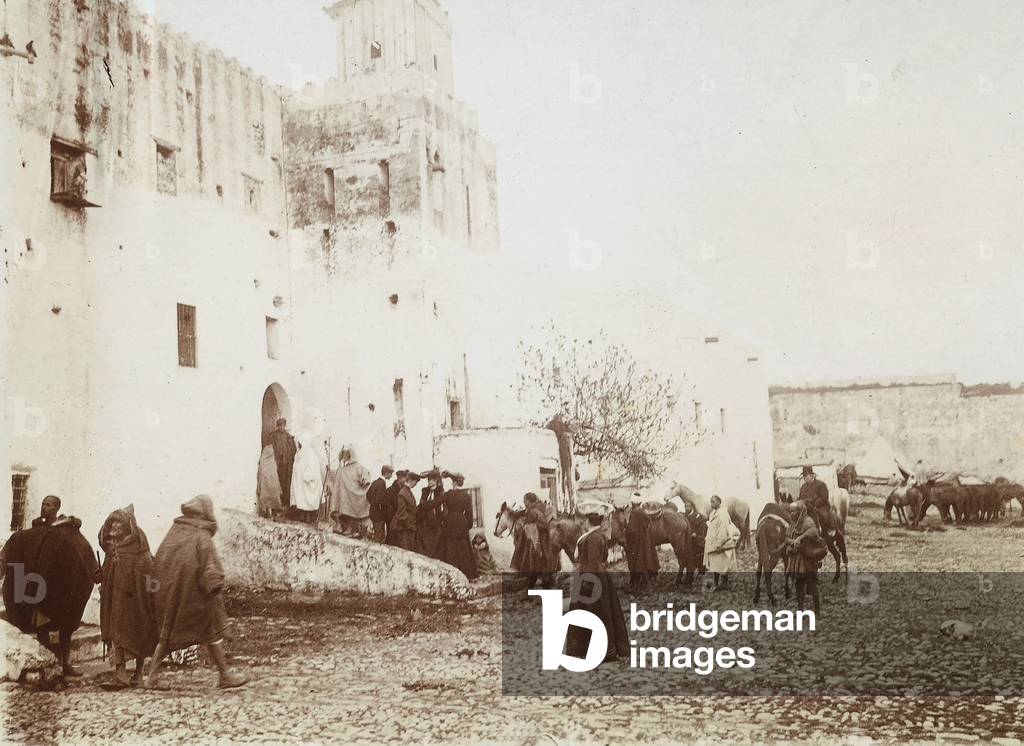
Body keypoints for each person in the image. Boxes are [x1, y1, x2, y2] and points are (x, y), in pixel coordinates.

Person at [145, 495, 247, 689]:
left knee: (169, 635)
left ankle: (153, 676)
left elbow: (160, 561)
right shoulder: (202, 536)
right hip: (194, 596)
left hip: (170, 594)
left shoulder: (175, 532)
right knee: (209, 630)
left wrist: (155, 591)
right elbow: (209, 567)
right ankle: (224, 675)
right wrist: (215, 585)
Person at [1, 496, 99, 678]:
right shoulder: (36, 530)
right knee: (42, 626)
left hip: (61, 587)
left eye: (49, 505)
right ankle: (47, 663)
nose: (44, 508)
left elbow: (82, 549)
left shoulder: (68, 530)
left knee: (66, 627)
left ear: (57, 508)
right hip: (41, 586)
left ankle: (65, 663)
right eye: (43, 504)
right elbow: (20, 544)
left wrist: (93, 571)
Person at [98, 504, 157, 687]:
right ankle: (120, 673)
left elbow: (149, 573)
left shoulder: (139, 550)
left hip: (134, 602)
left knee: (137, 632)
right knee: (115, 635)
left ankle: (138, 674)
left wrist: (150, 594)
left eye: (118, 524)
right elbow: (107, 571)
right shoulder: (111, 549)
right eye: (112, 523)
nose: (114, 527)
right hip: (113, 601)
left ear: (127, 527)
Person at [565, 510, 630, 665]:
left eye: (586, 520)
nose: (584, 522)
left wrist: (588, 582)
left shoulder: (593, 537)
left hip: (590, 577)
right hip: (598, 576)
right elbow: (604, 558)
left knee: (594, 612)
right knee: (602, 611)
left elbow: (593, 561)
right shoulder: (599, 535)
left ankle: (598, 649)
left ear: (589, 522)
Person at [436, 476, 479, 580]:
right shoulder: (467, 496)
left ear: (454, 483)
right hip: (462, 524)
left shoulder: (448, 494)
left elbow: (435, 503)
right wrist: (466, 526)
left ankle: (448, 575)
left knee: (448, 549)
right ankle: (467, 575)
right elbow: (469, 516)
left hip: (449, 523)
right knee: (463, 550)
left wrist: (423, 506)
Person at [510, 492, 551, 589]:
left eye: (524, 500)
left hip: (536, 543)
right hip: (542, 542)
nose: (524, 502)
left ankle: (535, 590)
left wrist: (523, 530)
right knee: (538, 567)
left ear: (528, 501)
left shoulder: (532, 511)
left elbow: (531, 528)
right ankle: (540, 586)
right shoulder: (537, 508)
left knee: (533, 566)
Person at [787, 502, 822, 615]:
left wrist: (801, 537)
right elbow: (787, 536)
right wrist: (791, 542)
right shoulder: (793, 524)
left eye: (794, 511)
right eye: (790, 511)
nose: (792, 514)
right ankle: (800, 610)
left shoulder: (808, 522)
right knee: (799, 586)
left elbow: (814, 532)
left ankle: (817, 611)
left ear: (800, 511)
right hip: (797, 560)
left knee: (812, 585)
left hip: (808, 559)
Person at [330, 446, 373, 537]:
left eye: (346, 454)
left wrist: (365, 481)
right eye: (343, 454)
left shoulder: (357, 467)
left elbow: (365, 477)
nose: (344, 456)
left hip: (351, 496)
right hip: (341, 496)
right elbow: (334, 477)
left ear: (350, 455)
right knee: (337, 511)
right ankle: (339, 526)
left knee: (349, 513)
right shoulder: (342, 468)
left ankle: (350, 528)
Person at [624, 492, 660, 591]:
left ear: (632, 503)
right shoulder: (643, 513)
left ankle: (647, 588)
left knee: (640, 565)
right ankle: (638, 586)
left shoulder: (635, 514)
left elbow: (632, 530)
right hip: (645, 543)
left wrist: (626, 531)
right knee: (642, 565)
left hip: (637, 544)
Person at [704, 495, 739, 590]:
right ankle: (718, 583)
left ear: (719, 502)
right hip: (713, 543)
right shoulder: (713, 514)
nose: (712, 504)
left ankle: (723, 583)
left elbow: (723, 530)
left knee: (723, 565)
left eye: (714, 501)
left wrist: (719, 544)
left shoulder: (722, 514)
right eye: (711, 502)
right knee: (716, 565)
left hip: (721, 544)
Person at [290, 435, 325, 524]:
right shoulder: (299, 452)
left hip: (306, 481)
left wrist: (307, 475)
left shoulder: (310, 453)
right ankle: (302, 514)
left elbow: (313, 467)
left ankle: (308, 516)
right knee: (300, 498)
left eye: (300, 443)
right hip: (299, 481)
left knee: (307, 498)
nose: (299, 445)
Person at [268, 419, 297, 509]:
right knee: (277, 481)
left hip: (285, 463)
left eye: (283, 425)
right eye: (280, 425)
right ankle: (277, 502)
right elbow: (269, 448)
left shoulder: (288, 436)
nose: (281, 427)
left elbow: (293, 450)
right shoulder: (273, 436)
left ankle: (285, 500)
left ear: (285, 425)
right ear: (277, 426)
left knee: (285, 482)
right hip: (276, 462)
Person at [416, 470, 445, 558]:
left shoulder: (440, 492)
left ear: (436, 480)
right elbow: (422, 506)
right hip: (425, 524)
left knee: (434, 549)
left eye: (431, 480)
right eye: (428, 480)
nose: (429, 482)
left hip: (435, 525)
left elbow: (441, 508)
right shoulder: (425, 491)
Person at [390, 470, 420, 552]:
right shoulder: (403, 493)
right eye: (415, 482)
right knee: (405, 551)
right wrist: (410, 526)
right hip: (404, 529)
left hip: (407, 527)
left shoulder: (407, 491)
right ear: (411, 481)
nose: (415, 485)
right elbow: (402, 514)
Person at [798, 466, 834, 534]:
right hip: (805, 508)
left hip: (819, 506)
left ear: (812, 475)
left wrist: (814, 503)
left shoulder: (821, 485)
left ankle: (829, 531)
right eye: (804, 476)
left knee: (824, 515)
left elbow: (824, 498)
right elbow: (800, 498)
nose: (804, 478)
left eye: (806, 476)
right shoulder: (803, 487)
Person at [367, 465, 394, 543]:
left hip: (373, 512)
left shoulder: (375, 482)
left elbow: (368, 495)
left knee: (377, 534)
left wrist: (373, 504)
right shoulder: (382, 483)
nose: (391, 475)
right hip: (379, 514)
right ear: (386, 473)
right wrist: (387, 505)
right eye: (390, 473)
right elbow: (381, 500)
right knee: (379, 537)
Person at [256, 444, 283, 519]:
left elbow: (260, 475)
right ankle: (271, 513)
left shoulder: (263, 463)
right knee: (272, 500)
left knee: (267, 499)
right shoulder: (273, 463)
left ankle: (269, 512)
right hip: (272, 489)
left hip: (266, 488)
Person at [683, 499, 708, 574]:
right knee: (690, 555)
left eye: (688, 506)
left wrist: (696, 533)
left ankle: (701, 571)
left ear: (692, 507)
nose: (686, 508)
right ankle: (691, 569)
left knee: (699, 555)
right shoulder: (684, 516)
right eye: (685, 506)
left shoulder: (698, 516)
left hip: (697, 540)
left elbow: (704, 527)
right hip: (688, 540)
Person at [384, 470, 406, 546]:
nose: (406, 480)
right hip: (391, 518)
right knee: (391, 537)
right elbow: (387, 505)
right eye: (405, 478)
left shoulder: (403, 489)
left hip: (398, 518)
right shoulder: (390, 490)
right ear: (399, 478)